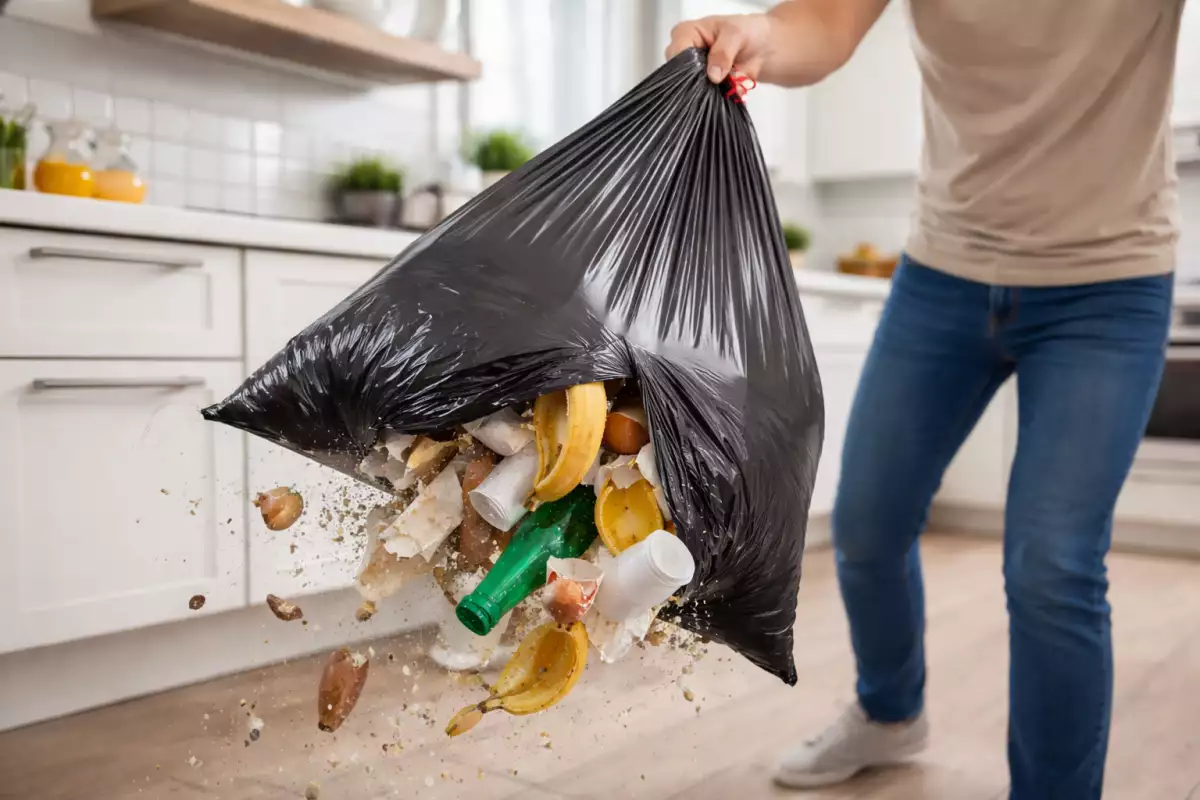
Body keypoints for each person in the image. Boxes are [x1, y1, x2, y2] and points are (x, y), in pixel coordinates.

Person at [667, 2, 1182, 797]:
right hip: (946, 271)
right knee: (867, 523)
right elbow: (825, 25)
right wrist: (758, 37)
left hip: (1109, 283)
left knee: (1052, 564)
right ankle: (890, 713)